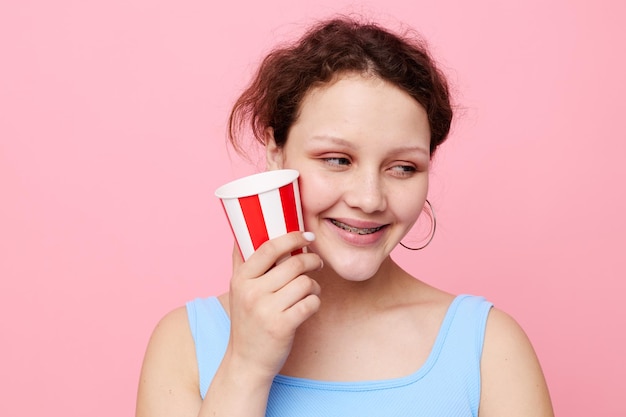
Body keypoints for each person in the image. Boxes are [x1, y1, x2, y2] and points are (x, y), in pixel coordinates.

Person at [136, 16, 554, 417]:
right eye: (337, 159)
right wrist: (246, 365)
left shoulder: (489, 350)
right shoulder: (185, 345)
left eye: (403, 167)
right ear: (275, 152)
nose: (369, 199)